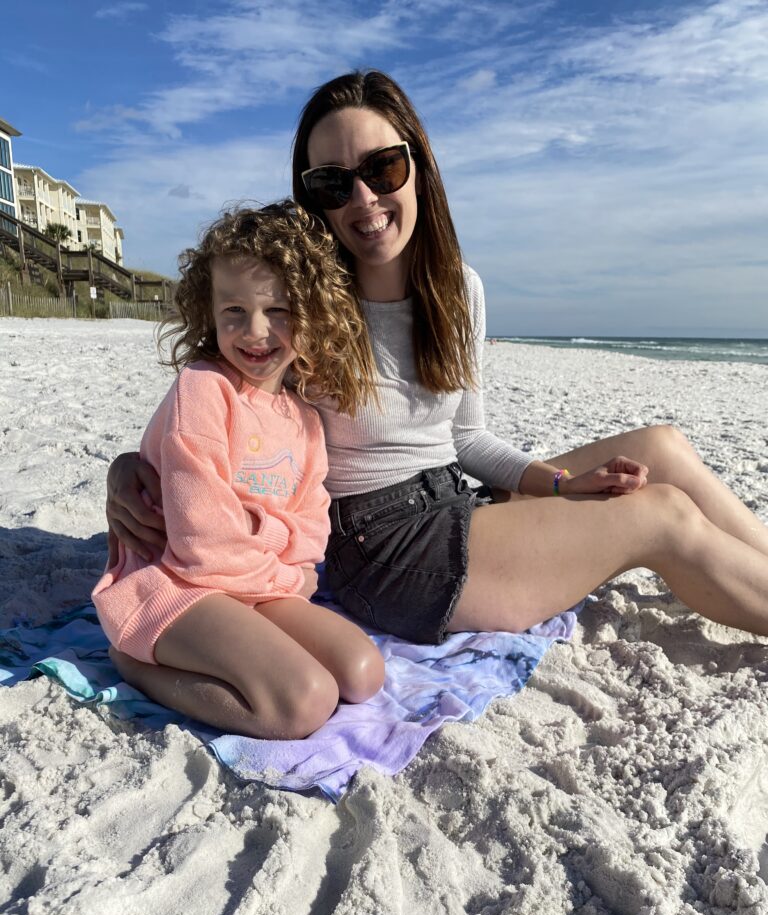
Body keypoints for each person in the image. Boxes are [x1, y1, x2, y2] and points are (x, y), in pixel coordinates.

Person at [106, 70, 768, 648]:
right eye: (333, 183)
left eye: (382, 169)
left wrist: (563, 487)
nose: (363, 200)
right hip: (383, 551)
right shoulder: (306, 304)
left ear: (417, 164)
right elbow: (216, 395)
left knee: (665, 449)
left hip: (454, 498)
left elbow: (466, 438)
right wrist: (131, 468)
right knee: (664, 516)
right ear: (314, 199)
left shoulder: (459, 288)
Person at [94, 201, 384, 739]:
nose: (256, 332)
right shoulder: (204, 389)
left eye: (279, 311)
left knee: (363, 673)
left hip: (257, 587)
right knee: (303, 701)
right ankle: (135, 661)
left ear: (313, 315)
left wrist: (269, 543)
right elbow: (204, 540)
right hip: (178, 584)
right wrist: (279, 561)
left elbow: (312, 529)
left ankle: (233, 632)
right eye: (234, 311)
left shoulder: (304, 420)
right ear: (210, 312)